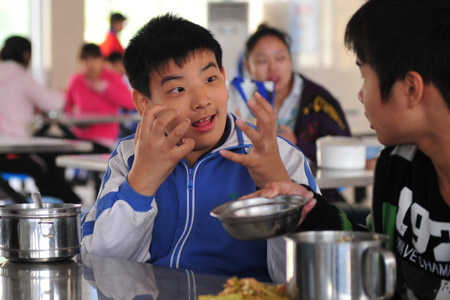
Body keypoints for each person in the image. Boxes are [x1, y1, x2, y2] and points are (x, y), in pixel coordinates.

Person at [80, 14, 319, 282]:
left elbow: (307, 275)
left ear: (225, 79)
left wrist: (278, 187)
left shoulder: (277, 154)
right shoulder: (131, 157)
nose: (202, 100)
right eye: (178, 89)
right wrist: (141, 181)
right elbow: (101, 266)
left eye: (210, 79)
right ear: (144, 103)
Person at [243, 0, 450, 298]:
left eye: (365, 76)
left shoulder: (318, 100)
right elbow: (375, 249)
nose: (360, 94)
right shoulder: (397, 164)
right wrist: (308, 213)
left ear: (411, 89)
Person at [229, 24, 351, 202]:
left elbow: (345, 149)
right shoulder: (239, 99)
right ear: (247, 66)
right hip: (257, 195)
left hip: (314, 197)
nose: (273, 68)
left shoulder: (317, 99)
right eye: (262, 61)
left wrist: (298, 143)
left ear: (290, 60)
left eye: (280, 58)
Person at [0, 35, 81, 203]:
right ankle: (66, 206)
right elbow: (54, 103)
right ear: (26, 55)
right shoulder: (21, 76)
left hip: (6, 152)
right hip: (15, 152)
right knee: (51, 164)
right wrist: (62, 92)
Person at [65, 43, 135, 150]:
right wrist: (74, 122)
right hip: (79, 136)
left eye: (94, 58)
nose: (90, 63)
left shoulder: (112, 78)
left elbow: (130, 102)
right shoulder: (76, 80)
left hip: (104, 138)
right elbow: (67, 107)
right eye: (85, 59)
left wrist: (105, 89)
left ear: (102, 60)